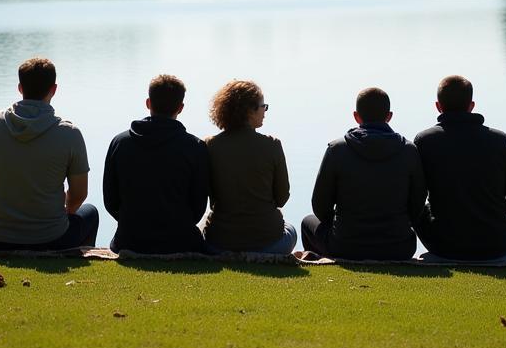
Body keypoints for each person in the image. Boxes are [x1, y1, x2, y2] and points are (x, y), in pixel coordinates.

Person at [0, 57, 98, 251]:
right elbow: (79, 194)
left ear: (20, 88)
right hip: (51, 238)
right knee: (90, 212)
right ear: (54, 89)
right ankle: (74, 259)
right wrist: (64, 213)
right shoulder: (69, 134)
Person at [301, 87, 425, 261]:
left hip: (345, 246)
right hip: (399, 247)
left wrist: (339, 224)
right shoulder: (409, 151)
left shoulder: (337, 150)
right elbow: (418, 202)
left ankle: (321, 261)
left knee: (308, 221)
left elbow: (320, 204)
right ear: (389, 116)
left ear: (356, 116)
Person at [413, 74, 506, 260]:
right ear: (471, 105)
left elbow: (414, 198)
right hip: (497, 243)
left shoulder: (425, 141)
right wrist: (489, 210)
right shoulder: (499, 140)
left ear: (438, 106)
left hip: (443, 244)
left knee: (420, 210)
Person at [103, 74, 210, 254]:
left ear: (148, 103)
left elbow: (110, 200)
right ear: (181, 108)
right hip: (180, 241)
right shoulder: (195, 147)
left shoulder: (120, 142)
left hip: (129, 241)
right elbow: (199, 206)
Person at [201, 80, 296, 254]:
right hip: (269, 242)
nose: (265, 111)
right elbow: (282, 198)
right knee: (291, 229)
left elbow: (211, 198)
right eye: (263, 106)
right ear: (249, 111)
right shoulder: (272, 145)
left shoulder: (210, 145)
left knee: (203, 226)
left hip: (220, 243)